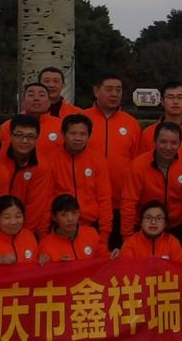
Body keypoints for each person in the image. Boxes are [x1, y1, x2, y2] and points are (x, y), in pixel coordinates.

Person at [119, 120, 182, 246]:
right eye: (163, 142)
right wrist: (127, 237)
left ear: (180, 143)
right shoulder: (138, 165)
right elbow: (128, 202)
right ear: (154, 141)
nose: (168, 147)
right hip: (145, 224)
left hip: (178, 224)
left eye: (174, 143)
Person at [84, 72, 143, 244]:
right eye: (109, 89)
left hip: (121, 203)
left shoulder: (131, 124)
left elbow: (137, 164)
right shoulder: (82, 120)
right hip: (88, 203)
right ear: (96, 91)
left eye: (118, 90)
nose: (114, 94)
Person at [48, 112, 113, 242]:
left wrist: (104, 234)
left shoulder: (97, 160)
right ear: (63, 134)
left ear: (89, 135)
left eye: (83, 134)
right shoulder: (51, 160)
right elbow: (46, 197)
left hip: (90, 225)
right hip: (60, 226)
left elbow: (104, 198)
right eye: (72, 133)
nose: (78, 138)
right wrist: (44, 233)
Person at [0, 113, 55, 238]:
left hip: (21, 226)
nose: (24, 141)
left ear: (37, 137)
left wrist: (23, 236)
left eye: (30, 136)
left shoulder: (41, 166)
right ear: (10, 134)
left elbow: (35, 207)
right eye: (19, 135)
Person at [139, 81, 182, 163]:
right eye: (170, 97)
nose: (175, 102)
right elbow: (142, 164)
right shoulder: (148, 133)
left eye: (180, 97)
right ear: (162, 101)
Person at [39, 193, 107, 262]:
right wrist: (57, 266)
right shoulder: (45, 245)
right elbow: (44, 268)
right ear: (54, 217)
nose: (70, 219)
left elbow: (105, 259)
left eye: (74, 213)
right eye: (64, 215)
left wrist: (112, 255)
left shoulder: (91, 234)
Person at [0, 82, 64, 151]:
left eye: (41, 95)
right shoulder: (8, 126)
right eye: (31, 95)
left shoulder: (62, 126)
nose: (36, 98)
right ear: (23, 102)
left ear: (49, 103)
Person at [118, 200, 182, 259]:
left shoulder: (173, 243)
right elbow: (126, 268)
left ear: (165, 223)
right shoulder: (130, 244)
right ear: (140, 222)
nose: (153, 222)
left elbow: (179, 268)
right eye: (148, 218)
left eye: (159, 218)